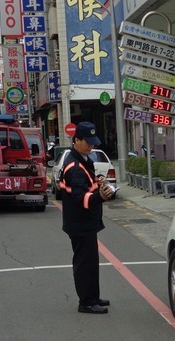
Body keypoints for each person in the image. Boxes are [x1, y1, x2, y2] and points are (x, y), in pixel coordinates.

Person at [60, 122, 117, 314]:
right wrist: (100, 196)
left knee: (91, 262)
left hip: (85, 222)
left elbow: (87, 187)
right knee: (85, 264)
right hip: (80, 222)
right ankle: (86, 302)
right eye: (88, 142)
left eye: (93, 142)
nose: (92, 146)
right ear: (76, 140)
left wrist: (98, 184)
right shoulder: (74, 166)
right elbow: (79, 198)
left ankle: (93, 296)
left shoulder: (85, 160)